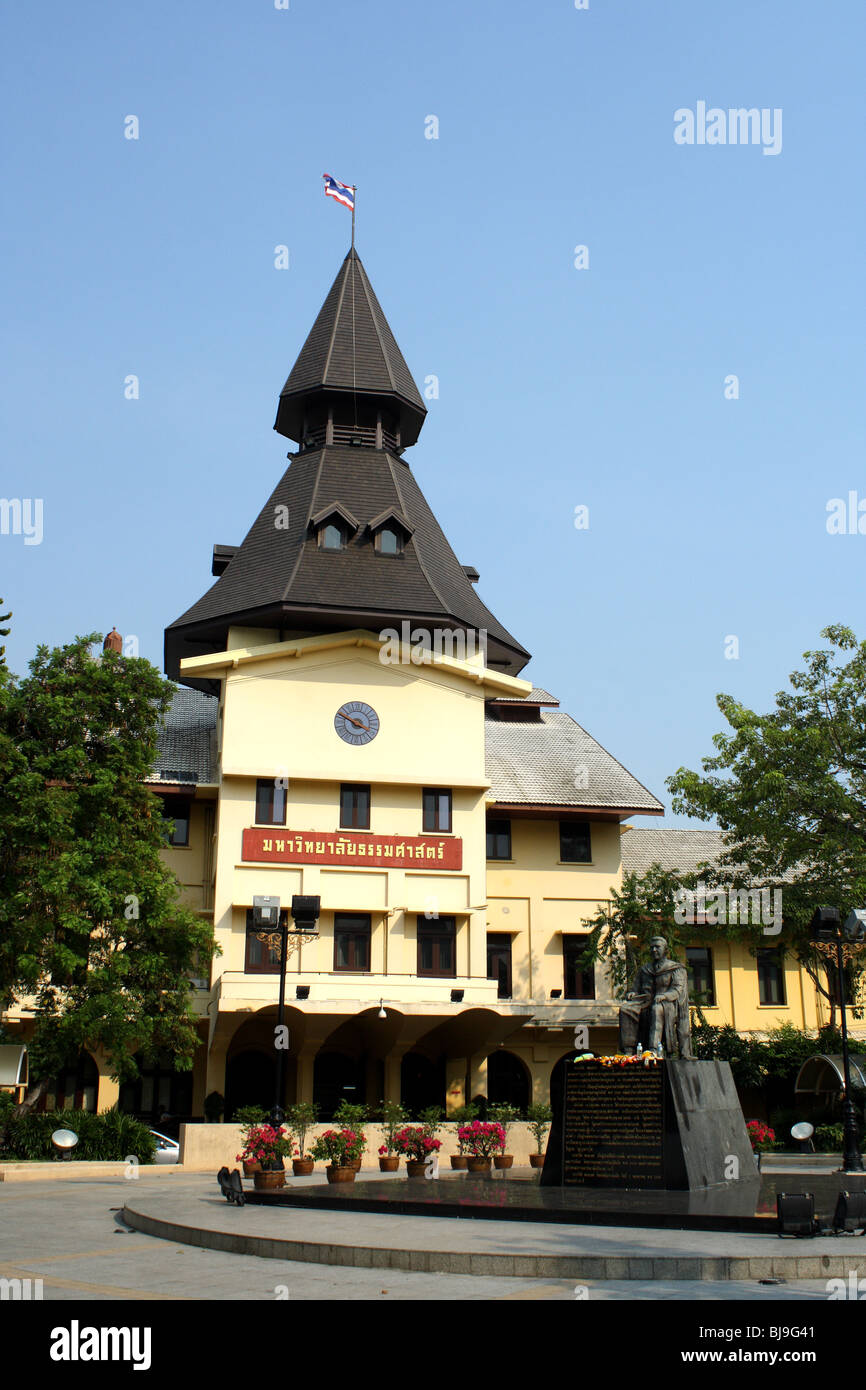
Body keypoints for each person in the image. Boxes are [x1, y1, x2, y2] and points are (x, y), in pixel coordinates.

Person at [618, 936, 691, 1058]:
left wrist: (664, 996)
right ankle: (629, 1049)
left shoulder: (675, 969)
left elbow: (677, 989)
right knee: (626, 1009)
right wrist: (632, 993)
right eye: (652, 947)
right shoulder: (644, 970)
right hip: (645, 1002)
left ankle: (653, 1049)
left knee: (656, 1009)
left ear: (666, 950)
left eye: (657, 947)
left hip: (667, 1004)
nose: (654, 950)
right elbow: (636, 987)